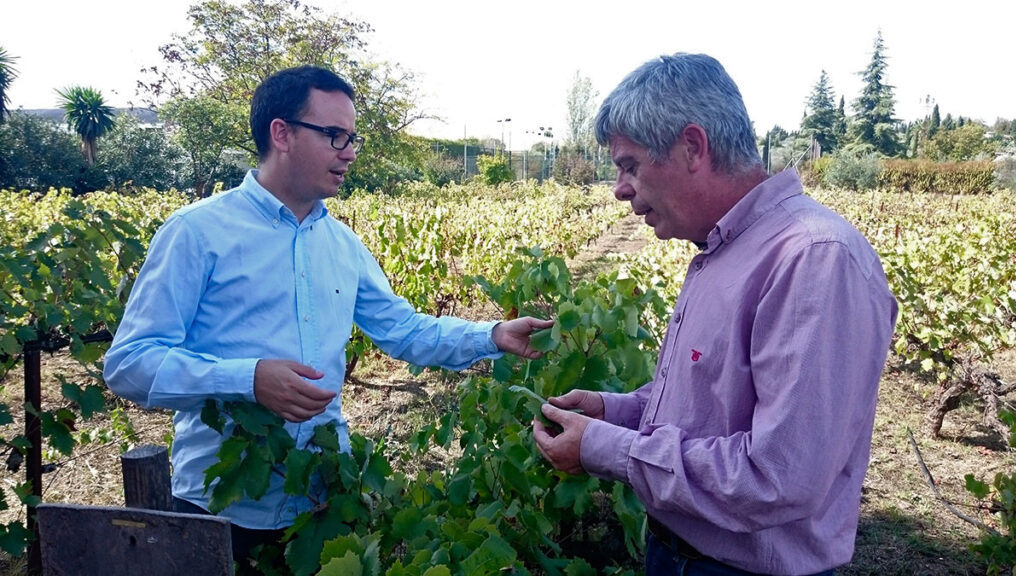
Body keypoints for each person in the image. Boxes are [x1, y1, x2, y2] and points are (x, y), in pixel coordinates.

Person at [103, 65, 552, 568]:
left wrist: (492, 334)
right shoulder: (196, 233)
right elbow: (129, 364)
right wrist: (248, 380)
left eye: (353, 138)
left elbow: (403, 329)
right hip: (222, 511)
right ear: (282, 134)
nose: (351, 152)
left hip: (321, 505)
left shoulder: (341, 244)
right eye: (335, 135)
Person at [533, 53, 898, 576]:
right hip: (677, 553)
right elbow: (709, 410)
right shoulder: (723, 250)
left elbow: (776, 476)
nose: (619, 188)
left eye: (630, 165)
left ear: (693, 147)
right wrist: (612, 411)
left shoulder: (813, 257)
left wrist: (607, 449)